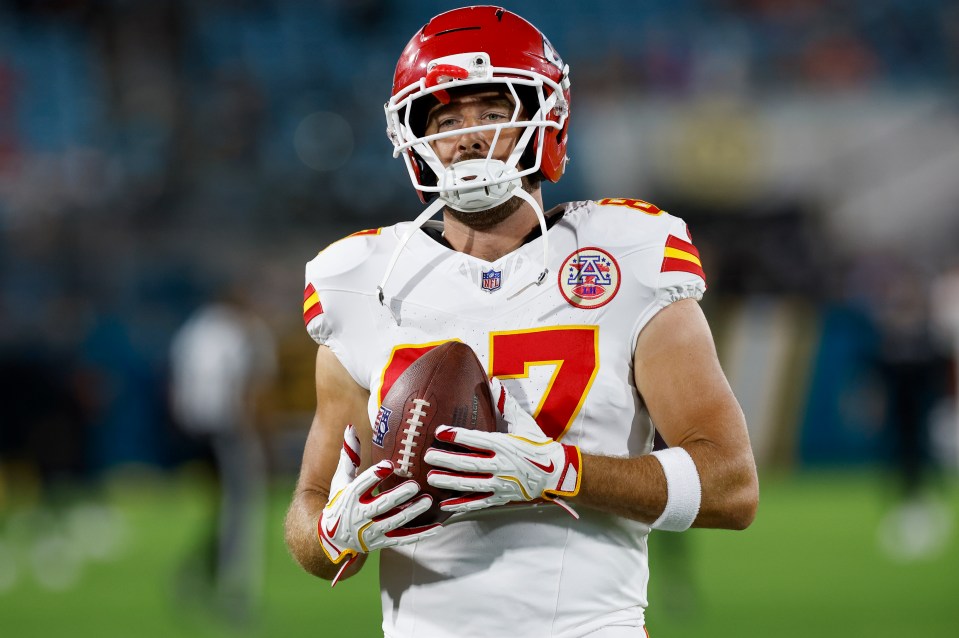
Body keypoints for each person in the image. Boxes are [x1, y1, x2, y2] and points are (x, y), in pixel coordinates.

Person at [284, 6, 759, 637]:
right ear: (414, 139)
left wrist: (557, 472)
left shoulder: (627, 254)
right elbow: (309, 518)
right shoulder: (364, 281)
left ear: (545, 118)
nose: (469, 137)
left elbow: (732, 486)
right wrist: (335, 532)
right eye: (446, 118)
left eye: (491, 112)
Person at [169, 285, 276, 623]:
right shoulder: (244, 330)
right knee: (243, 513)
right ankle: (234, 594)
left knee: (224, 512)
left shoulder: (196, 327)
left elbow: (176, 385)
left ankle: (198, 577)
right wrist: (263, 443)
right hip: (231, 431)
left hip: (193, 430)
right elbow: (248, 391)